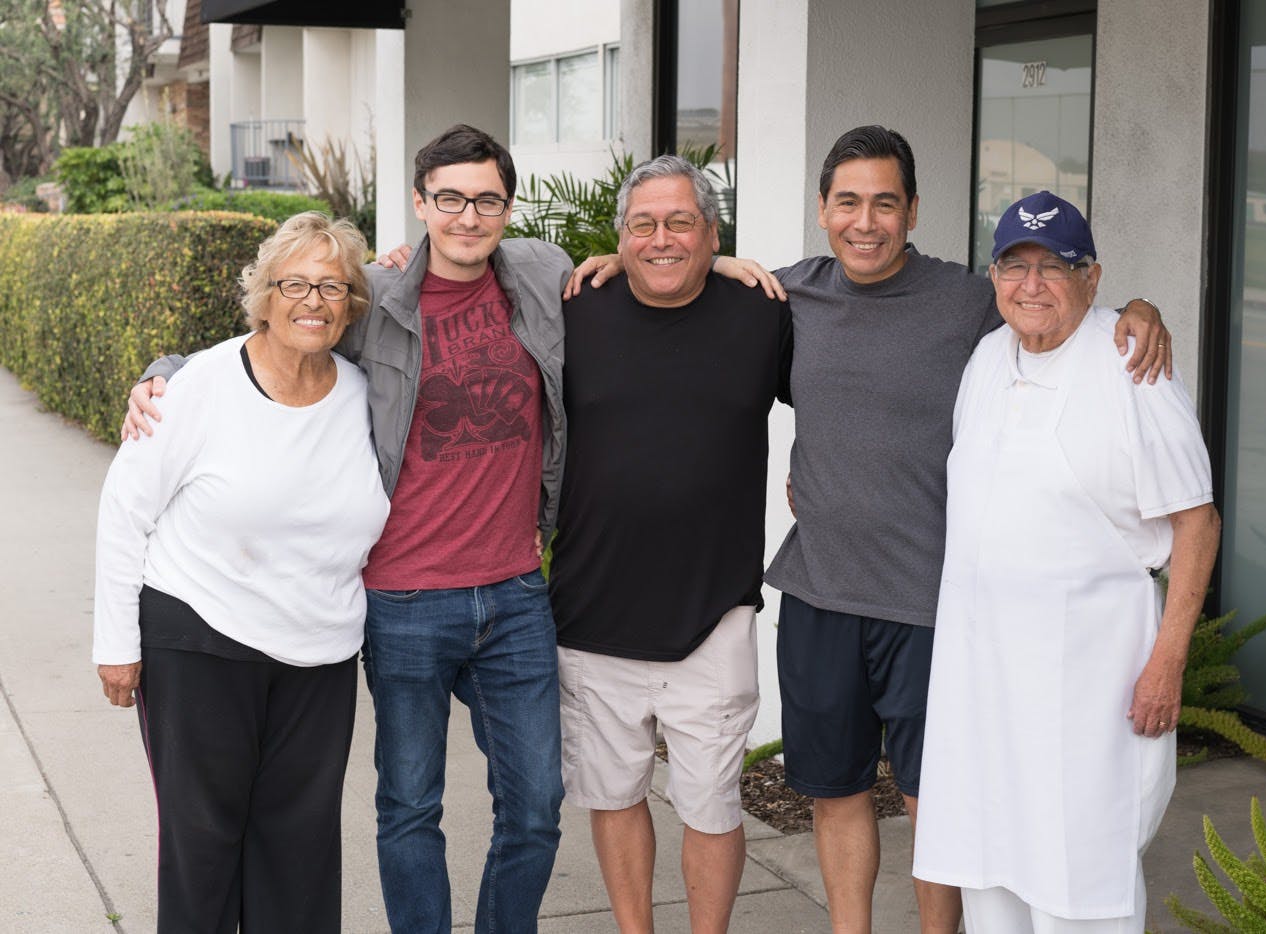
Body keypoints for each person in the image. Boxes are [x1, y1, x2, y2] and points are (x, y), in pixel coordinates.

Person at [568, 125, 1172, 934]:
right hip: (821, 592)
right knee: (835, 793)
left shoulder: (966, 300)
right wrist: (667, 256)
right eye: (847, 202)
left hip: (934, 602)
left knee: (938, 803)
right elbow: (679, 273)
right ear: (823, 210)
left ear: (912, 211)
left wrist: (1140, 306)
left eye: (885, 203)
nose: (865, 221)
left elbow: (1053, 294)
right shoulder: (785, 297)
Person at [122, 125, 573, 934]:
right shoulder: (377, 294)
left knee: (538, 805)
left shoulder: (544, 275)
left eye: (486, 200)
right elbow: (281, 328)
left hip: (514, 590)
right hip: (403, 601)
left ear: (509, 205)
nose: (468, 216)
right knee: (407, 808)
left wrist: (719, 260)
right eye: (450, 198)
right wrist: (164, 376)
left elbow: (651, 279)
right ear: (420, 202)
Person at [912, 190, 1220, 932]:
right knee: (989, 870)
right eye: (1015, 266)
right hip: (982, 688)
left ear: (1094, 277)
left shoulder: (1130, 365)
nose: (1033, 285)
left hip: (1087, 687)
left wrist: (1168, 660)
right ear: (993, 278)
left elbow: (1198, 521)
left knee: (1080, 881)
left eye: (1056, 266)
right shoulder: (988, 358)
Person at [93, 212, 391, 932]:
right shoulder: (196, 387)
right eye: (294, 283)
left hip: (319, 654)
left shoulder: (366, 396)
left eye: (332, 286)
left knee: (301, 846)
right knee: (203, 843)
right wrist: (116, 646)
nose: (313, 301)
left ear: (352, 305)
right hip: (200, 639)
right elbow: (124, 510)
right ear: (263, 294)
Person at [551, 154, 791, 934]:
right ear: (618, 237)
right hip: (592, 611)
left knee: (714, 805)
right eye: (643, 224)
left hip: (713, 613)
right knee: (613, 796)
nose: (662, 239)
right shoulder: (573, 311)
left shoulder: (762, 313)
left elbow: (855, 363)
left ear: (712, 232)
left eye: (681, 222)